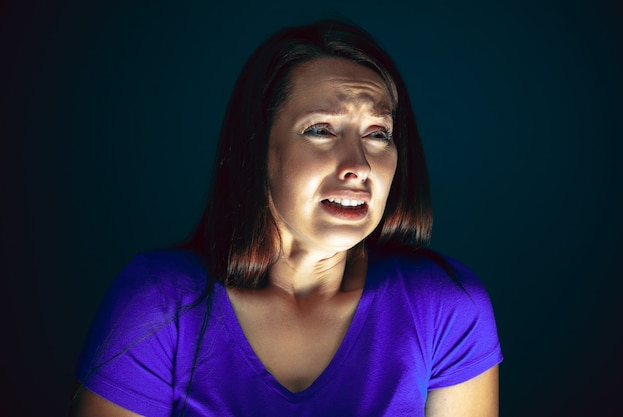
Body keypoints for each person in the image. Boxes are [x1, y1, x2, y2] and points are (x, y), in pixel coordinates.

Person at [71, 18, 503, 417]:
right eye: (321, 130)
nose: (358, 164)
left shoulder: (446, 306)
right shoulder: (158, 305)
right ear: (257, 152)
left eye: (377, 134)